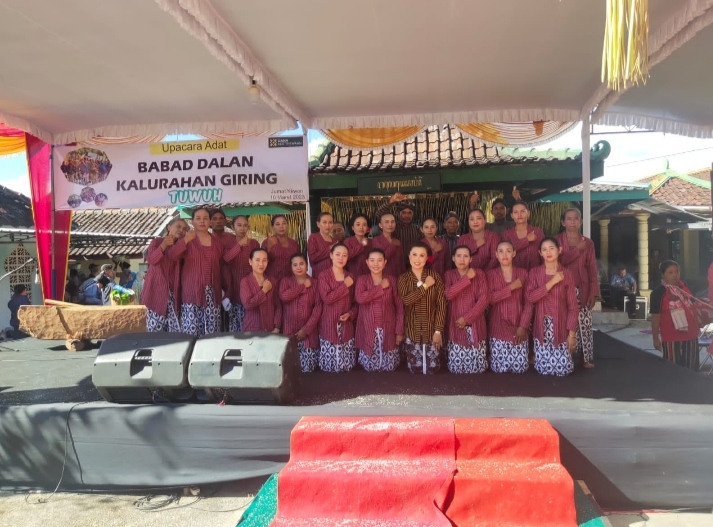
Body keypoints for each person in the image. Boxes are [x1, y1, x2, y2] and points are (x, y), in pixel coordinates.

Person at [525, 238, 579, 376]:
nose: (548, 252)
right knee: (543, 370)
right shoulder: (535, 273)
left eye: (551, 248)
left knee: (563, 369)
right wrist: (553, 281)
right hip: (541, 326)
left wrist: (572, 334)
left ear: (559, 250)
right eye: (544, 249)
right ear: (540, 253)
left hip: (560, 326)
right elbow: (530, 297)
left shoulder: (567, 274)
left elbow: (573, 307)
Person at [169, 207, 223, 337]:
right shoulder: (187, 240)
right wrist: (186, 240)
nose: (202, 221)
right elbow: (171, 256)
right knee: (191, 333)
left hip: (212, 293)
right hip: (191, 292)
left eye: (205, 218)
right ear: (192, 222)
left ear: (210, 222)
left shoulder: (217, 242)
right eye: (198, 218)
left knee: (212, 333)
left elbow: (220, 265)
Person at [557, 208, 599, 369]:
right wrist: (577, 250)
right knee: (565, 323)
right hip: (562, 289)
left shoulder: (588, 243)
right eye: (569, 218)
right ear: (563, 222)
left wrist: (594, 292)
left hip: (583, 288)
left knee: (585, 325)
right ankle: (565, 354)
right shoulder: (556, 241)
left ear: (581, 222)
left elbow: (592, 268)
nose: (572, 221)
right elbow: (558, 264)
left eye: (576, 218)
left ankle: (586, 357)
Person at [398, 242, 446, 374]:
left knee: (433, 369)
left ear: (427, 258)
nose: (417, 259)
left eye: (421, 255)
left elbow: (441, 304)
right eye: (414, 254)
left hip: (432, 329)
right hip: (413, 330)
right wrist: (425, 286)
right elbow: (406, 300)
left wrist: (438, 331)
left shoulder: (435, 277)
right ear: (409, 257)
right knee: (414, 370)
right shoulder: (403, 278)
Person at [355, 248, 405, 372]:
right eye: (372, 260)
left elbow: (399, 306)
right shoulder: (362, 280)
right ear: (367, 262)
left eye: (379, 260)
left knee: (389, 369)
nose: (376, 264)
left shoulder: (392, 280)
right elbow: (360, 298)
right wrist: (380, 288)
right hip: (368, 328)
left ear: (385, 262)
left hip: (388, 328)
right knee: (370, 369)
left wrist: (399, 331)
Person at [487, 241, 533, 373]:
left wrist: (523, 326)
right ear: (496, 255)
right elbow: (489, 299)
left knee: (520, 369)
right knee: (499, 370)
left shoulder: (523, 273)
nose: (504, 254)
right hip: (498, 328)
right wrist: (511, 287)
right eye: (500, 251)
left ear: (514, 253)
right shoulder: (491, 275)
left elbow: (529, 302)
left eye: (508, 251)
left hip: (518, 327)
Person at [444, 246, 490, 373]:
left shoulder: (479, 273)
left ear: (471, 259)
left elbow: (484, 299)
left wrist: (467, 318)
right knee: (456, 368)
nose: (462, 259)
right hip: (455, 322)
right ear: (453, 258)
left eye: (465, 256)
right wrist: (467, 278)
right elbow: (448, 294)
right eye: (458, 256)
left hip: (475, 322)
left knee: (478, 368)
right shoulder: (449, 275)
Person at [650, 260, 701, 371]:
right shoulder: (658, 293)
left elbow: (693, 307)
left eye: (677, 272)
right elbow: (655, 317)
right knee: (672, 371)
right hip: (671, 338)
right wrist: (655, 338)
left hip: (691, 336)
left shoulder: (685, 289)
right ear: (663, 275)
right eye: (670, 272)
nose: (675, 275)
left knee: (692, 371)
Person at [317, 243, 358, 372]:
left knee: (347, 369)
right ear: (331, 255)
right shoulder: (323, 276)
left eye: (344, 255)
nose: (341, 258)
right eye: (337, 254)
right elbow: (327, 299)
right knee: (330, 369)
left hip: (346, 326)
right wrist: (345, 286)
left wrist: (350, 314)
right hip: (329, 323)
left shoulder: (351, 276)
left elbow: (356, 303)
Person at [143, 217, 187, 332]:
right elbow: (152, 260)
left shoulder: (183, 247)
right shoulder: (156, 242)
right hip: (156, 293)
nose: (181, 230)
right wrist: (164, 245)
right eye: (178, 226)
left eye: (184, 229)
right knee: (154, 332)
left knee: (174, 333)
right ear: (168, 227)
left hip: (174, 294)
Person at [280, 253, 322, 372]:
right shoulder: (285, 282)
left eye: (301, 264)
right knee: (290, 369)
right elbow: (284, 296)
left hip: (308, 334)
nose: (299, 267)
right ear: (291, 267)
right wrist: (302, 287)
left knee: (308, 370)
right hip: (289, 331)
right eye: (295, 265)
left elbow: (318, 308)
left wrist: (306, 329)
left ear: (307, 265)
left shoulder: (315, 283)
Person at [223, 215, 260, 332]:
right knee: (235, 325)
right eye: (239, 225)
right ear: (233, 227)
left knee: (251, 323)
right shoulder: (228, 244)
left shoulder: (254, 243)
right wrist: (239, 245)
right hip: (234, 288)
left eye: (245, 225)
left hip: (251, 288)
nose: (242, 228)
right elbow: (225, 259)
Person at [239, 248, 281, 333]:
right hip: (251, 329)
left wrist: (277, 327)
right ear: (250, 261)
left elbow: (278, 306)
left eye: (264, 260)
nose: (261, 264)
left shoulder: (272, 281)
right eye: (257, 260)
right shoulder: (245, 281)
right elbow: (248, 304)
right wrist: (264, 290)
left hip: (270, 330)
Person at [374, 193, 422, 263]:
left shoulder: (418, 230)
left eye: (409, 213)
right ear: (398, 214)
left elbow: (427, 250)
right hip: (396, 265)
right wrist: (391, 200)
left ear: (413, 214)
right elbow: (379, 214)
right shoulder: (393, 228)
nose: (406, 215)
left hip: (414, 265)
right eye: (404, 213)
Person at [502, 201, 544, 270]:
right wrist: (526, 239)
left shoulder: (538, 232)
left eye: (522, 211)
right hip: (514, 275)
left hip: (535, 274)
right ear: (512, 215)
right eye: (516, 212)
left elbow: (543, 255)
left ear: (528, 213)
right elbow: (507, 251)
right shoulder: (507, 234)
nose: (519, 215)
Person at [262, 215, 301, 282]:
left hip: (291, 281)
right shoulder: (266, 242)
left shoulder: (294, 243)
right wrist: (269, 247)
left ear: (287, 225)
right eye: (277, 224)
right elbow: (261, 262)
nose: (281, 226)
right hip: (273, 282)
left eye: (284, 223)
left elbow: (299, 262)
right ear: (272, 227)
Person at [372, 212, 405, 279]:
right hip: (383, 277)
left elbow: (402, 262)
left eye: (392, 222)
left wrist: (403, 276)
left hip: (398, 277)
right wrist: (392, 245)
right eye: (386, 222)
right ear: (380, 225)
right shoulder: (375, 241)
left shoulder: (397, 241)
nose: (390, 224)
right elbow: (380, 259)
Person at [307, 212, 336, 280]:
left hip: (334, 277)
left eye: (330, 222)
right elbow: (313, 257)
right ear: (318, 224)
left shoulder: (335, 241)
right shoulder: (313, 238)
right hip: (319, 276)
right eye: (324, 222)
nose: (327, 225)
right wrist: (330, 249)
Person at [344, 213, 372, 277]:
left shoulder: (371, 242)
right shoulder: (347, 241)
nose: (361, 227)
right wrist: (361, 245)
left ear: (367, 228)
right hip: (352, 276)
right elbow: (346, 256)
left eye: (364, 225)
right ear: (353, 227)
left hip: (369, 276)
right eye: (358, 224)